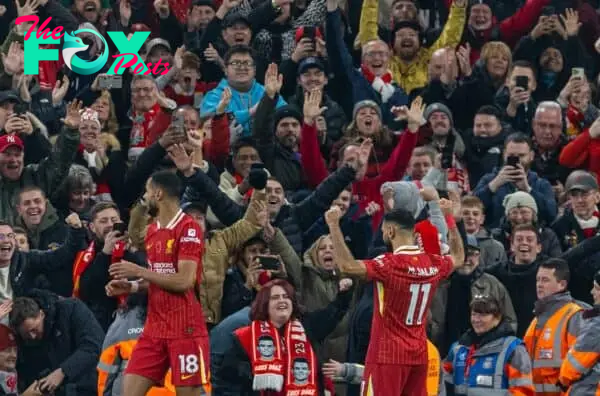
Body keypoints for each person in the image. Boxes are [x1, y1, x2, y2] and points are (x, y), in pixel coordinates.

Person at [324, 199, 465, 396]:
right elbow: (459, 257)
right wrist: (449, 218)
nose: (382, 235)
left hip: (387, 354)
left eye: (383, 231)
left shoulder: (389, 264)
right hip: (418, 352)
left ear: (390, 231)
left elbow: (347, 266)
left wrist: (333, 225)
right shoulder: (433, 263)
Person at [106, 169, 210, 396]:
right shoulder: (152, 231)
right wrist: (132, 286)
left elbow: (183, 280)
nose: (145, 197)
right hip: (154, 328)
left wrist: (138, 270)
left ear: (159, 194)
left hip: (185, 329)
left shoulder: (188, 228)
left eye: (147, 192)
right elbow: (160, 277)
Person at [9, 289, 104, 396]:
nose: (32, 336)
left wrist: (63, 371)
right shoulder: (21, 340)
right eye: (26, 334)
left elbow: (93, 345)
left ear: (41, 314)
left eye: (34, 329)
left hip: (88, 385)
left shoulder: (72, 309)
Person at [443, 295, 535, 395]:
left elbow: (523, 391)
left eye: (482, 315)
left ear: (497, 317)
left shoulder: (513, 349)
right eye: (474, 314)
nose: (476, 320)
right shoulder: (458, 348)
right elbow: (442, 384)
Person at [523, 258, 586, 395]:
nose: (539, 284)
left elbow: (582, 367)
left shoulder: (574, 316)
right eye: (538, 280)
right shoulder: (536, 320)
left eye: (545, 280)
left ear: (562, 285)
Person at [558, 270, 600, 394]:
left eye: (597, 288)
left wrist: (562, 381)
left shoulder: (597, 326)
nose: (592, 292)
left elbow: (573, 367)